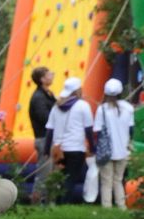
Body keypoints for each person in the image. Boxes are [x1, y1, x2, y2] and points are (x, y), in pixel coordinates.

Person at [47, 76, 94, 203]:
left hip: (59, 149)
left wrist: (47, 150)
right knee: (71, 178)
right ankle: (63, 203)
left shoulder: (56, 106)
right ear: (77, 90)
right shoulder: (83, 105)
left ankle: (56, 201)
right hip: (76, 148)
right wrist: (92, 148)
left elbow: (50, 129)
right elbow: (88, 129)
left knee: (60, 177)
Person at [94, 78, 134, 210]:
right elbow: (131, 130)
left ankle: (107, 207)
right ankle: (121, 206)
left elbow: (97, 131)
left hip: (107, 152)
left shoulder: (102, 109)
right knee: (118, 180)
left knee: (106, 181)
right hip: (123, 150)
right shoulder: (128, 108)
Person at [28, 66, 56, 203]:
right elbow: (46, 118)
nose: (52, 75)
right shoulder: (39, 98)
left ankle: (46, 200)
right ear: (42, 79)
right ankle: (37, 200)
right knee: (44, 172)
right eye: (49, 74)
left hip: (50, 138)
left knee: (49, 171)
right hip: (44, 138)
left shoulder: (48, 94)